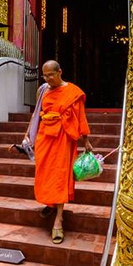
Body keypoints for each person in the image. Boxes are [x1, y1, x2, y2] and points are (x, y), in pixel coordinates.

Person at [26, 60, 92, 244]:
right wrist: (30, 136)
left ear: (60, 72)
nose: (48, 79)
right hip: (45, 138)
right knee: (45, 173)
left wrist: (85, 140)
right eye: (45, 76)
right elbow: (36, 114)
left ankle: (58, 220)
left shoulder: (73, 92)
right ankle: (50, 202)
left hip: (64, 137)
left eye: (51, 75)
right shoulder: (43, 90)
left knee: (60, 175)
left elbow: (80, 116)